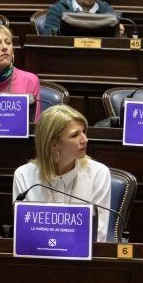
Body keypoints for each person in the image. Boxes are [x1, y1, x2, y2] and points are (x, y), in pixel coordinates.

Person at [12, 104, 111, 242]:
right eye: (75, 135)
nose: (85, 140)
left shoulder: (98, 174)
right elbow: (25, 233)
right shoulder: (24, 175)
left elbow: (98, 235)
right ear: (54, 144)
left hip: (84, 255)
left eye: (84, 132)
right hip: (38, 253)